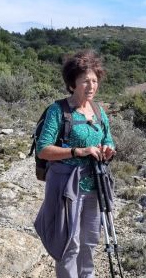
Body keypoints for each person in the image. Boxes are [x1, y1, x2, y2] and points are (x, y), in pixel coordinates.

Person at [32, 50, 116, 278]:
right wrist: (77, 151)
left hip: (94, 186)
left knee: (89, 243)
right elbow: (43, 148)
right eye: (86, 81)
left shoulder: (98, 111)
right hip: (67, 187)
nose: (91, 86)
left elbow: (107, 138)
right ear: (73, 83)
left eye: (95, 81)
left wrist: (108, 148)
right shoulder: (58, 111)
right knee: (70, 245)